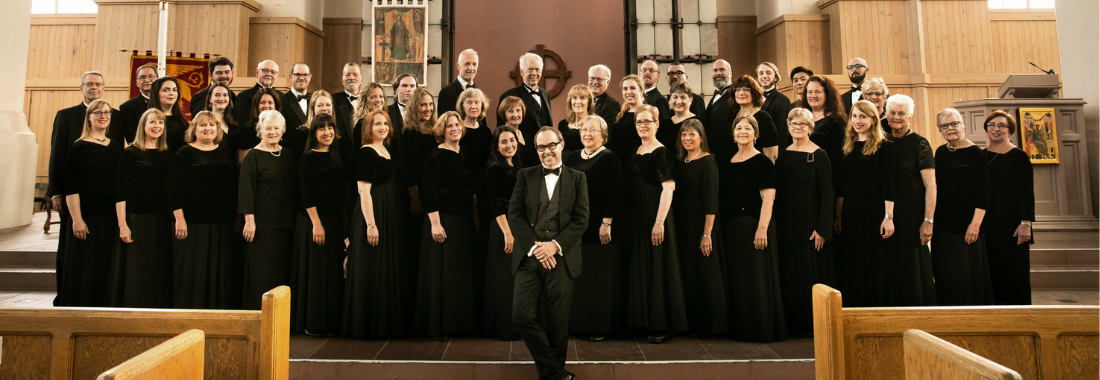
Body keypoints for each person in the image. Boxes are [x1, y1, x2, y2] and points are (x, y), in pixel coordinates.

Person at [508, 126, 589, 380]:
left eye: (551, 145)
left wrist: (554, 245)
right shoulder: (525, 175)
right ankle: (554, 371)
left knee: (557, 322)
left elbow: (581, 220)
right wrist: (536, 247)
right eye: (541, 147)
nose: (547, 152)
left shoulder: (578, 178)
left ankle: (552, 376)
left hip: (562, 258)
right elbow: (515, 215)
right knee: (521, 315)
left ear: (562, 144)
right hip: (529, 257)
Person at [48, 72, 118, 301]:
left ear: (104, 88)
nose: (94, 87)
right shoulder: (66, 117)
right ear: (81, 88)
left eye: (98, 84)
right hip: (79, 202)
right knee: (76, 255)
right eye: (89, 84)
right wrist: (56, 192)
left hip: (107, 208)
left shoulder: (115, 123)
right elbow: (57, 156)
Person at [719, 115, 787, 343]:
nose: (742, 131)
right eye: (738, 128)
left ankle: (761, 329)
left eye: (748, 128)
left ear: (756, 135)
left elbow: (769, 198)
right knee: (739, 278)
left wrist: (762, 229)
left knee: (757, 278)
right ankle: (743, 329)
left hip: (754, 225)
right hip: (734, 227)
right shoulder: (730, 160)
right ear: (733, 133)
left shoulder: (762, 162)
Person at [344, 110, 409, 338]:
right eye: (377, 124)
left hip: (389, 212)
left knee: (387, 265)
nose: (382, 127)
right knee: (372, 266)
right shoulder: (365, 153)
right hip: (373, 212)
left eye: (385, 123)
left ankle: (387, 323)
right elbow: (363, 191)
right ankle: (369, 325)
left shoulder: (386, 151)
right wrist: (371, 225)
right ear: (368, 129)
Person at [626, 105, 688, 343]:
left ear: (657, 124)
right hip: (637, 215)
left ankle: (661, 324)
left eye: (647, 121)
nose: (643, 125)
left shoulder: (662, 152)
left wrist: (659, 221)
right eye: (639, 122)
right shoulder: (636, 149)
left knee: (658, 267)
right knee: (641, 264)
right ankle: (642, 321)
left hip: (655, 213)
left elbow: (668, 188)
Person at [169, 111, 240, 309]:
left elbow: (232, 186)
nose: (208, 129)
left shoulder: (225, 152)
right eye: (202, 125)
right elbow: (174, 189)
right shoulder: (184, 153)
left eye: (211, 125)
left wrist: (235, 215)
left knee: (218, 269)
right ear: (194, 129)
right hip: (192, 222)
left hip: (221, 221)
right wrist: (179, 219)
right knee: (193, 269)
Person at [416, 111, 477, 340]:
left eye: (457, 125)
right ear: (441, 131)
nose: (454, 129)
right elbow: (428, 191)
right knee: (443, 275)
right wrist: (435, 224)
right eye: (449, 126)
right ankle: (440, 325)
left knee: (459, 274)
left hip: (463, 220)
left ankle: (459, 323)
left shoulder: (465, 153)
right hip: (442, 220)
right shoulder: (436, 155)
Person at [774, 108, 834, 337]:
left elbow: (828, 193)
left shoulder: (819, 154)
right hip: (788, 222)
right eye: (793, 124)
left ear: (811, 128)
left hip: (810, 224)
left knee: (810, 271)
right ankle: (793, 322)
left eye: (802, 124)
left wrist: (822, 229)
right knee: (790, 271)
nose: (797, 127)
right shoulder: (784, 153)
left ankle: (812, 325)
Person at [563, 115, 623, 342]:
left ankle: (598, 327)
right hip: (578, 228)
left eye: (593, 130)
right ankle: (579, 324)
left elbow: (614, 193)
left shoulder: (609, 158)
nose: (587, 134)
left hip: (600, 228)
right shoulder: (573, 157)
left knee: (599, 279)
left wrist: (606, 223)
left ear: (603, 135)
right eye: (584, 129)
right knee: (581, 278)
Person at [834, 101, 896, 307]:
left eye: (863, 117)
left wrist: (888, 217)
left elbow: (889, 183)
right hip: (851, 212)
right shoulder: (848, 146)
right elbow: (842, 185)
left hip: (875, 212)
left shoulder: (884, 146)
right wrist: (839, 214)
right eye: (854, 116)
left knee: (875, 262)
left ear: (873, 120)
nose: (858, 121)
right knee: (853, 262)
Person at [672, 119, 729, 335]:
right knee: (690, 277)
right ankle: (693, 324)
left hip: (703, 228)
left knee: (707, 276)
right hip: (684, 228)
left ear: (702, 138)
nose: (687, 138)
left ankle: (713, 327)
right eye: (684, 135)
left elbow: (711, 201)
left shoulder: (708, 162)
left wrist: (707, 234)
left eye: (692, 135)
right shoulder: (682, 162)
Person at [932, 108, 994, 306]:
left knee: (966, 278)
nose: (950, 128)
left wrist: (975, 224)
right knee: (945, 274)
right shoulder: (940, 152)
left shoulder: (975, 152)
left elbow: (984, 191)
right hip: (943, 226)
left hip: (967, 226)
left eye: (954, 124)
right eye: (945, 126)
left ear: (963, 126)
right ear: (940, 130)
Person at [239, 110, 300, 310]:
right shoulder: (253, 156)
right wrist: (249, 220)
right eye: (268, 128)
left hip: (286, 223)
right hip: (261, 226)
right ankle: (259, 316)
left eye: (276, 128)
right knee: (261, 273)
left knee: (282, 272)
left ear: (282, 131)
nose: (272, 132)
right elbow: (246, 190)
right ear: (260, 131)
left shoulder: (288, 155)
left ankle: (281, 317)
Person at [114, 108, 174, 308]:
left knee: (159, 265)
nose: (157, 126)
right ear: (143, 126)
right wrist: (122, 224)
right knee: (138, 267)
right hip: (137, 218)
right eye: (153, 123)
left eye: (160, 123)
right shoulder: (130, 152)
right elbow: (120, 190)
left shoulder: (167, 153)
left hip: (162, 217)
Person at [882, 95, 937, 306]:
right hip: (886, 213)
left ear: (910, 116)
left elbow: (931, 186)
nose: (896, 117)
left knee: (912, 266)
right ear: (886, 114)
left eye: (901, 113)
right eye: (892, 112)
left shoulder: (920, 143)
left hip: (912, 214)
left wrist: (928, 221)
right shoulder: (879, 140)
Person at [295, 113, 347, 336]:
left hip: (335, 222)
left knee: (333, 273)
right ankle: (314, 324)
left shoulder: (337, 155)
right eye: (322, 129)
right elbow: (307, 194)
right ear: (314, 133)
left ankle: (331, 322)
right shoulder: (309, 157)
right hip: (315, 222)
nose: (327, 132)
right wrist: (316, 224)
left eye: (330, 128)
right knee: (317, 274)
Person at [981, 110, 1035, 305]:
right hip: (987, 224)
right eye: (992, 125)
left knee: (1014, 273)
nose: (996, 129)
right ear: (986, 129)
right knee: (991, 272)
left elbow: (1027, 192)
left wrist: (1026, 223)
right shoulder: (981, 155)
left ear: (1010, 131)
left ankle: (1019, 316)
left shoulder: (1019, 156)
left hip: (1013, 224)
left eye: (1002, 126)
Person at [483, 126, 521, 341]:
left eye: (512, 140)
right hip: (502, 228)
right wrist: (507, 233)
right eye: (504, 142)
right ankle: (504, 328)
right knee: (504, 280)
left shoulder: (517, 166)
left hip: (518, 227)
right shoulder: (493, 168)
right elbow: (495, 204)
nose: (509, 145)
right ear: (497, 146)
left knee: (517, 279)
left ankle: (518, 325)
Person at [498, 53, 553, 167]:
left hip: (543, 156)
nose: (534, 73)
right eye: (530, 69)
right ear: (522, 72)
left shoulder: (545, 94)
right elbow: (501, 131)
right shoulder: (509, 95)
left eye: (537, 69)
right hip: (521, 158)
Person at [802, 76, 847, 194]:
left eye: (818, 92)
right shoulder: (801, 117)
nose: (813, 95)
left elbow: (838, 157)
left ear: (827, 94)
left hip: (825, 180)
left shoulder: (836, 120)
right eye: (809, 92)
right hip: (803, 177)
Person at [730, 75, 779, 162]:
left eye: (746, 89)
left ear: (754, 93)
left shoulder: (764, 118)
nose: (741, 93)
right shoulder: (731, 116)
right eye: (737, 89)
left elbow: (772, 154)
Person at [236, 87, 283, 162]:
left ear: (276, 106)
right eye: (262, 102)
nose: (266, 106)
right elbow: (243, 162)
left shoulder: (281, 129)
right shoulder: (247, 131)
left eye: (270, 102)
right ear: (256, 105)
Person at [608, 75, 645, 167]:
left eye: (632, 88)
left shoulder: (646, 113)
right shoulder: (622, 114)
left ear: (641, 91)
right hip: (619, 163)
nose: (628, 92)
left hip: (637, 164)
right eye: (625, 89)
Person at [118, 63, 158, 144]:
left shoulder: (166, 103)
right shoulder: (127, 107)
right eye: (142, 77)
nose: (147, 80)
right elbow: (131, 137)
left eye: (151, 76)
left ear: (157, 80)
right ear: (137, 83)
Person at [233, 60, 280, 128]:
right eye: (265, 70)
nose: (269, 74)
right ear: (257, 72)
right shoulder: (243, 96)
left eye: (273, 72)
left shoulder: (281, 96)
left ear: (277, 76)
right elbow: (241, 124)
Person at [758, 62, 793, 153]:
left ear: (776, 77)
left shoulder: (783, 100)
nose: (764, 76)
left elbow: (782, 131)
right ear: (757, 78)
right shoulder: (752, 99)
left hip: (772, 150)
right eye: (761, 73)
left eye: (768, 73)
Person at [148, 77, 188, 151]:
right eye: (165, 90)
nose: (171, 93)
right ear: (156, 93)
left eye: (174, 90)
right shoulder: (148, 120)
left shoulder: (182, 121)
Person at [706, 60, 734, 159]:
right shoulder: (714, 97)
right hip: (713, 154)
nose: (718, 73)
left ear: (730, 73)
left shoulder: (736, 95)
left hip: (729, 154)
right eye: (715, 70)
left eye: (722, 69)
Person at [658, 83, 699, 149]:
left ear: (690, 100)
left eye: (683, 97)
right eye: (675, 97)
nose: (679, 101)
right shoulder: (664, 124)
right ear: (670, 99)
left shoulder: (699, 123)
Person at [438, 49, 478, 115]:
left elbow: (482, 123)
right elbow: (444, 123)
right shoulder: (446, 92)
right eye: (467, 64)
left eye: (474, 64)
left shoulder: (479, 93)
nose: (471, 68)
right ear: (458, 66)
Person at [332, 63, 363, 145]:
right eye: (347, 75)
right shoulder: (332, 100)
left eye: (355, 75)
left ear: (361, 80)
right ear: (342, 80)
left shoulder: (368, 101)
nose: (351, 78)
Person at [205, 84, 239, 159]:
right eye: (217, 95)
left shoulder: (234, 126)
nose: (221, 98)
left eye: (225, 95)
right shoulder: (203, 125)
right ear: (210, 99)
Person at [557, 84, 594, 152]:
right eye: (574, 98)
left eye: (582, 98)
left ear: (589, 102)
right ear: (570, 101)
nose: (577, 102)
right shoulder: (562, 124)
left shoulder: (594, 124)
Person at [498, 96, 531, 167]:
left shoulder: (527, 136)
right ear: (504, 113)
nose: (515, 115)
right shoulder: (499, 135)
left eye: (518, 110)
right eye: (510, 111)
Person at [351, 82, 387, 147]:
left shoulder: (386, 120)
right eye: (373, 97)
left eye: (381, 96)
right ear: (365, 100)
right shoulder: (362, 124)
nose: (378, 100)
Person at [281, 62, 312, 133]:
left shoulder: (314, 102)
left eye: (305, 75)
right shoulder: (281, 101)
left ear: (310, 77)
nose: (301, 78)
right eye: (297, 74)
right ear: (290, 77)